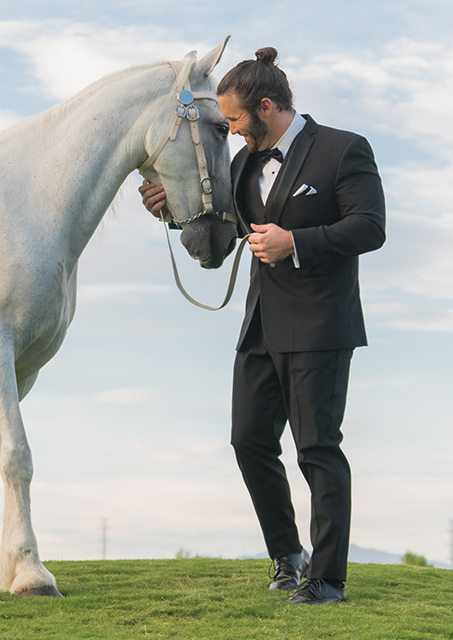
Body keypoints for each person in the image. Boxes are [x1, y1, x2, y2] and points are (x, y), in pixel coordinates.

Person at [140, 47, 385, 605]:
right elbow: (221, 245)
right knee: (248, 442)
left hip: (322, 327)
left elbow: (370, 228)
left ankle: (327, 579)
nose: (230, 132)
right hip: (258, 326)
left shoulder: (345, 149)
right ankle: (287, 556)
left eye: (233, 121)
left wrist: (295, 241)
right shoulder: (243, 162)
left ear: (267, 106)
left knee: (318, 449)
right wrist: (172, 212)